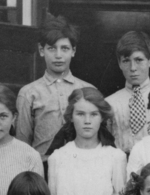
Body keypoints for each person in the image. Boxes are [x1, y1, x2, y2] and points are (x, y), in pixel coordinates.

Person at [46, 88, 127, 195]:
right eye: (80, 114)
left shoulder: (115, 157)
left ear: (102, 117)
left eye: (94, 114)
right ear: (71, 117)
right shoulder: (58, 157)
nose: (87, 121)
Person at [16, 16, 96, 162]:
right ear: (41, 50)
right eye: (52, 48)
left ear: (73, 51)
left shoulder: (88, 90)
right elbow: (22, 145)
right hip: (42, 168)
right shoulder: (29, 93)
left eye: (64, 48)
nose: (58, 55)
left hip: (82, 166)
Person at [105, 31, 150, 154]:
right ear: (119, 63)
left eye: (139, 60)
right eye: (126, 61)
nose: (133, 68)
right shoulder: (110, 103)